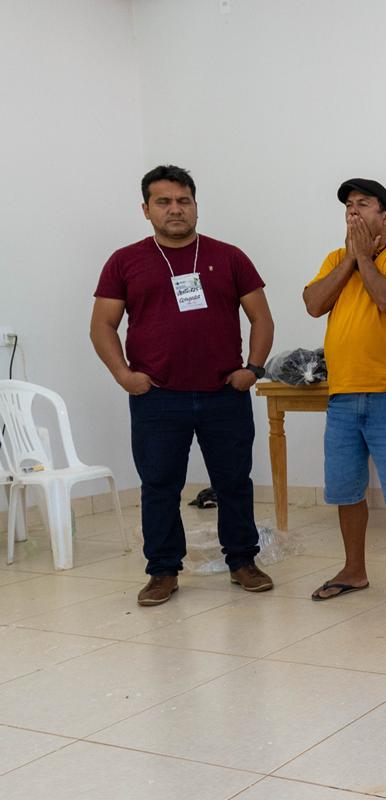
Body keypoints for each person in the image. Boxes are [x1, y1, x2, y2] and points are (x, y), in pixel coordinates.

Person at [90, 164, 275, 606]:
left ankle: (243, 562)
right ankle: (162, 571)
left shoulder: (229, 256)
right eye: (164, 202)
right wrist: (124, 375)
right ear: (146, 209)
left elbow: (262, 318)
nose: (175, 209)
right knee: (159, 485)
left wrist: (253, 368)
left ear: (195, 206)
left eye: (183, 201)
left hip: (224, 394)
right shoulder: (125, 261)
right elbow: (102, 326)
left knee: (234, 482)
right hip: (156, 397)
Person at [303, 178, 386, 604]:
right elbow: (313, 303)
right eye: (348, 205)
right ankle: (354, 570)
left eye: (363, 204)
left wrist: (363, 256)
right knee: (345, 489)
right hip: (342, 395)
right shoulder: (335, 258)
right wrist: (351, 257)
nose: (352, 211)